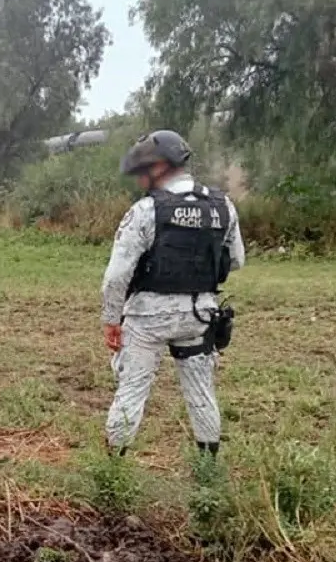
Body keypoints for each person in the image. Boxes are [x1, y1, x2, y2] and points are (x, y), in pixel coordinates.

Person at [100, 130, 245, 458]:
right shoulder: (223, 207)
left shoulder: (146, 210)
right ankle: (207, 472)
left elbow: (115, 277)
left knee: (132, 392)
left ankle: (112, 473)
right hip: (199, 315)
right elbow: (236, 259)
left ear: (160, 167)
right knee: (201, 394)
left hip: (147, 319)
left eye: (141, 172)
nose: (138, 180)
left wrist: (111, 320)